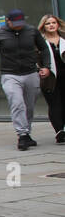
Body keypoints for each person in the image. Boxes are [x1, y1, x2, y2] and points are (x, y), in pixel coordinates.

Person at [0, 8, 51, 150]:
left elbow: (44, 49)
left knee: (29, 106)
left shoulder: (32, 31)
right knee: (17, 103)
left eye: (21, 22)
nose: (19, 25)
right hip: (10, 75)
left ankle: (27, 132)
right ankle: (22, 135)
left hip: (31, 73)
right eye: (15, 23)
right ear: (8, 21)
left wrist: (46, 66)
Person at [36, 14, 65, 143]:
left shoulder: (64, 39)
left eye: (53, 22)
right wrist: (39, 70)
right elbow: (33, 60)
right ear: (44, 26)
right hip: (50, 78)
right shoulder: (39, 42)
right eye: (48, 23)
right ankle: (60, 131)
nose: (51, 25)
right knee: (54, 104)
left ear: (58, 24)